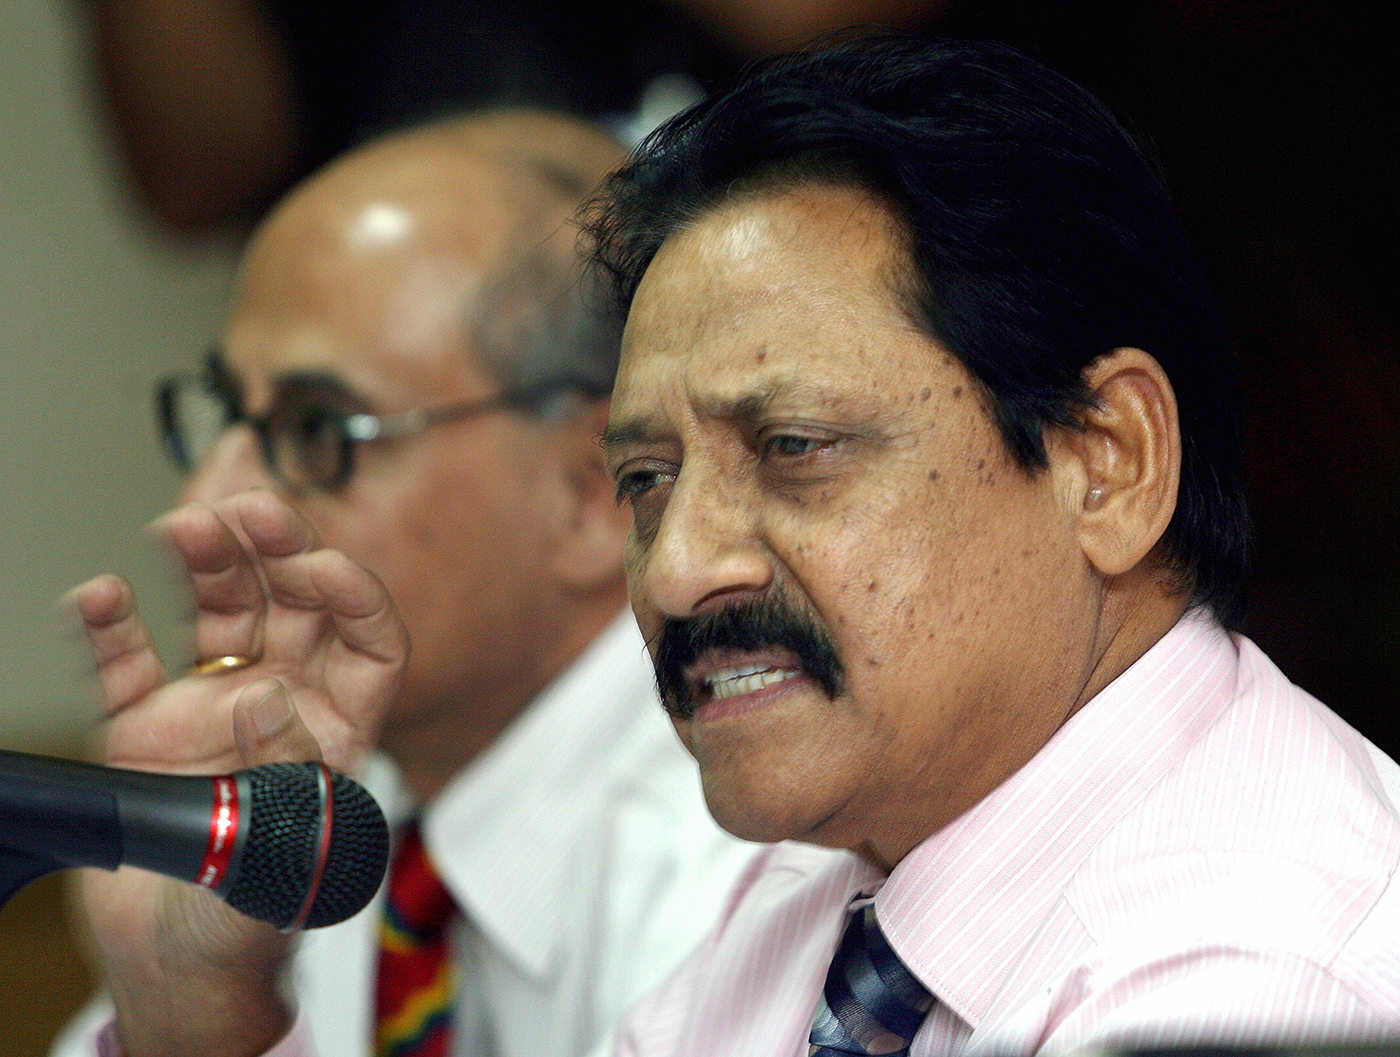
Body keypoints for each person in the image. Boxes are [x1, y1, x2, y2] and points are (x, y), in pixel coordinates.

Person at [583, 33, 1400, 1054]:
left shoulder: (1261, 979)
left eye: (794, 446)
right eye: (646, 481)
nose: (675, 569)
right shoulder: (822, 894)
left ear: (1108, 463)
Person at [52, 109, 756, 1057]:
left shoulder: (743, 860)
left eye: (318, 430)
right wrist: (191, 1006)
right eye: (223, 413)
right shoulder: (311, 806)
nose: (202, 504)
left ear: (597, 490)